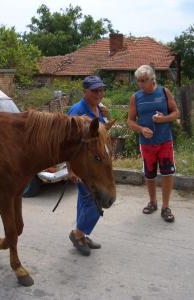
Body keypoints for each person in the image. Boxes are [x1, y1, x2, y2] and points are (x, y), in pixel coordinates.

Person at [127, 65, 180, 222]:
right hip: (146, 143)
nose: (141, 84)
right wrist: (141, 129)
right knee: (149, 175)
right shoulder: (136, 97)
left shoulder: (164, 92)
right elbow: (130, 121)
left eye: (144, 81)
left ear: (152, 79)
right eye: (139, 81)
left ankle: (166, 207)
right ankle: (153, 202)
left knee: (167, 173)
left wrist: (164, 119)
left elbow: (176, 112)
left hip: (165, 141)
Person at [67, 75, 107, 256]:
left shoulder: (98, 108)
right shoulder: (76, 111)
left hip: (96, 165)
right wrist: (70, 169)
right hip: (82, 166)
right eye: (94, 91)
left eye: (101, 90)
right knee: (96, 202)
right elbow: (66, 143)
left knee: (85, 201)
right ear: (85, 92)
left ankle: (82, 234)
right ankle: (78, 234)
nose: (99, 93)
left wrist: (106, 115)